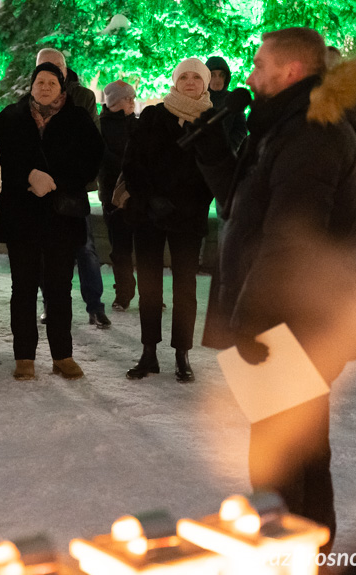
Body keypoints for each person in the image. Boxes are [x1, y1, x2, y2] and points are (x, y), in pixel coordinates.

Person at [192, 27, 356, 550]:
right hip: (289, 315)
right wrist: (212, 151)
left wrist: (254, 318)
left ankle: (285, 554)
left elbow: (291, 241)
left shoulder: (313, 132)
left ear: (290, 71)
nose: (250, 73)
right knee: (302, 450)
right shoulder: (286, 127)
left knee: (278, 459)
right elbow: (240, 208)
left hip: (292, 317)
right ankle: (308, 550)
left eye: (260, 63)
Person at [0, 62, 104, 381]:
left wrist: (57, 180)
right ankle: (24, 356)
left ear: (62, 88)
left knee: (59, 289)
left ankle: (62, 355)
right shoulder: (9, 119)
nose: (44, 87)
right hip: (21, 216)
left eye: (51, 83)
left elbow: (93, 159)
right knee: (23, 288)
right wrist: (27, 175)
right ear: (31, 85)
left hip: (61, 216)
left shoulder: (78, 119)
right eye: (39, 82)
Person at [122, 57, 214, 383]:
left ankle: (182, 354)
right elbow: (132, 163)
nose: (190, 82)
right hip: (149, 214)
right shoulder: (153, 115)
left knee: (185, 289)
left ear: (205, 83)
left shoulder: (211, 120)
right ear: (175, 82)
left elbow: (215, 173)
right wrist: (150, 199)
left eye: (196, 78)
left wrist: (187, 204)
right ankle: (149, 352)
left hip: (188, 218)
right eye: (184, 77)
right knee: (149, 286)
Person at [35, 49, 111, 328]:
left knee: (85, 248)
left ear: (66, 70)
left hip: (73, 187)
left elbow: (91, 143)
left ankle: (95, 306)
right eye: (45, 67)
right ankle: (49, 304)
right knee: (45, 251)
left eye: (57, 67)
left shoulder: (82, 97)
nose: (52, 72)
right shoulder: (32, 98)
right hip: (42, 189)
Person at [98, 80, 138, 312]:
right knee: (120, 249)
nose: (132, 101)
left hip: (138, 193)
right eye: (127, 98)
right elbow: (103, 158)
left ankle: (150, 293)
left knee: (143, 247)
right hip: (112, 196)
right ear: (114, 102)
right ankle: (123, 293)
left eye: (133, 97)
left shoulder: (139, 124)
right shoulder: (101, 126)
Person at [204, 56, 248, 153]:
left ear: (226, 77)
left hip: (224, 156)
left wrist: (229, 148)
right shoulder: (198, 98)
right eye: (213, 75)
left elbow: (241, 128)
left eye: (221, 75)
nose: (217, 79)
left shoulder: (233, 99)